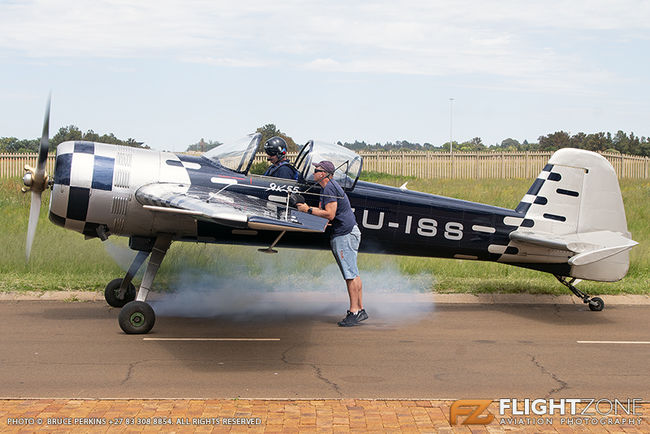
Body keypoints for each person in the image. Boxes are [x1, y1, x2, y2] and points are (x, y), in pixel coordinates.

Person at [296, 161, 367, 327]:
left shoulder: (329, 188)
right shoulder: (330, 187)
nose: (313, 172)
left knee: (349, 275)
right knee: (353, 273)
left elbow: (330, 214)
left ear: (324, 174)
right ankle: (360, 309)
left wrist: (307, 209)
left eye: (316, 170)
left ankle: (354, 312)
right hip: (349, 232)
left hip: (345, 235)